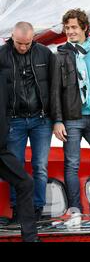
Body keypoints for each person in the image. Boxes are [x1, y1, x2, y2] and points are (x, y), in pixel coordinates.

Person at [51, 8, 90, 230]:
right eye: (67, 28)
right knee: (72, 164)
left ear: (85, 27)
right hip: (72, 119)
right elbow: (55, 91)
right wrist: (57, 120)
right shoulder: (60, 56)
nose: (70, 31)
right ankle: (75, 209)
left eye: (74, 27)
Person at [0, 22, 53, 223]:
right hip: (13, 119)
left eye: (27, 43)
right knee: (16, 167)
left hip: (40, 119)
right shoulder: (1, 55)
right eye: (19, 43)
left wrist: (56, 118)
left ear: (34, 38)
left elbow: (54, 86)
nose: (23, 47)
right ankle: (18, 211)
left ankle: (37, 210)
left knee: (40, 166)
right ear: (11, 36)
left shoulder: (45, 54)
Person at [0, 72, 40, 242]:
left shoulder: (2, 75)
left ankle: (30, 238)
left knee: (25, 182)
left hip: (0, 147)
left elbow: (7, 105)